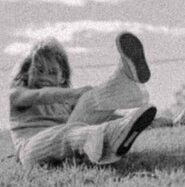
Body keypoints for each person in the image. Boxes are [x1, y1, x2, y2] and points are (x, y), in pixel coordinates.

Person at [9, 33, 157, 167]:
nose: (45, 77)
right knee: (67, 133)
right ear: (27, 71)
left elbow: (96, 115)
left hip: (68, 136)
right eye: (39, 70)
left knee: (87, 101)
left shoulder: (65, 104)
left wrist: (141, 119)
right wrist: (73, 93)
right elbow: (39, 96)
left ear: (62, 78)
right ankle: (107, 135)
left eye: (52, 72)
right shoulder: (18, 93)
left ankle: (124, 79)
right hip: (31, 149)